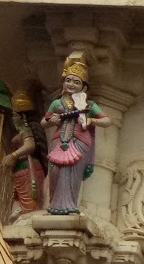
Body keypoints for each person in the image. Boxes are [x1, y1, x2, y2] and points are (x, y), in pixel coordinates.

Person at [42, 52, 111, 214]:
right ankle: (54, 205)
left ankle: (69, 205)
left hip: (79, 142)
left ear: (84, 87)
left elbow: (107, 121)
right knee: (56, 172)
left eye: (76, 82)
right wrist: (52, 121)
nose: (71, 84)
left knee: (72, 172)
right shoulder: (57, 103)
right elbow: (44, 122)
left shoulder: (88, 105)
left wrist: (90, 121)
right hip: (59, 141)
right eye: (68, 80)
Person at [2, 92, 46, 217]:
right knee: (19, 201)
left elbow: (30, 145)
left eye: (15, 115)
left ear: (22, 117)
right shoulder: (21, 131)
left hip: (29, 169)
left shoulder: (25, 130)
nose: (13, 118)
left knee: (30, 204)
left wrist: (13, 155)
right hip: (22, 170)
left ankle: (27, 219)